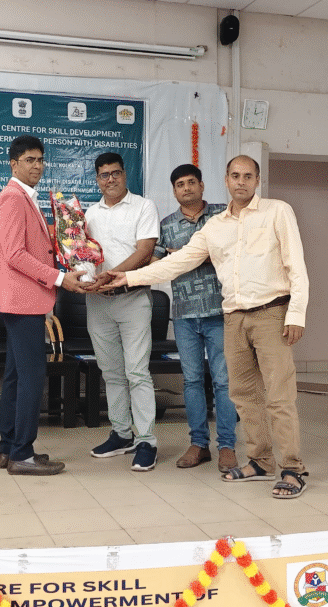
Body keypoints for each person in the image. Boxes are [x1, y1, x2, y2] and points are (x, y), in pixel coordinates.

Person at [105, 155, 310, 498]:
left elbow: (296, 265)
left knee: (279, 395)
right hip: (232, 317)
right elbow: (178, 262)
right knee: (243, 395)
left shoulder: (277, 211)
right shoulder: (215, 226)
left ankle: (292, 468)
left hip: (272, 313)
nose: (241, 181)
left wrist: (297, 314)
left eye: (248, 176)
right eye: (235, 175)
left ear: (257, 180)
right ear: (226, 180)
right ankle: (260, 461)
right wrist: (127, 277)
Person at [0, 135, 86, 476]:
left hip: (22, 300)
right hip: (22, 301)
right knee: (31, 378)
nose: (37, 166)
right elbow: (16, 255)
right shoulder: (12, 198)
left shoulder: (24, 197)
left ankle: (8, 449)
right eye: (29, 160)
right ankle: (22, 454)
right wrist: (59, 278)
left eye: (41, 160)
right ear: (13, 164)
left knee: (16, 377)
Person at [155, 164, 237, 472]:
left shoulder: (223, 214)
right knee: (191, 381)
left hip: (220, 311)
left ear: (202, 186)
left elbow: (236, 252)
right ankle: (199, 444)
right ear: (174, 191)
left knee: (223, 381)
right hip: (185, 314)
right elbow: (156, 262)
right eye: (180, 184)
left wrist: (188, 256)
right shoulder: (167, 225)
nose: (186, 188)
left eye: (191, 182)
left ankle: (227, 446)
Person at [85, 152, 161, 471]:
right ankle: (121, 433)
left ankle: (146, 440)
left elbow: (145, 251)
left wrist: (113, 275)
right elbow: (81, 254)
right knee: (111, 372)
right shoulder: (88, 214)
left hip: (133, 297)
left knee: (137, 372)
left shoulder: (143, 206)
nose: (111, 179)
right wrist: (86, 277)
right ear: (97, 180)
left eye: (115, 173)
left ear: (125, 174)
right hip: (98, 301)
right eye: (104, 175)